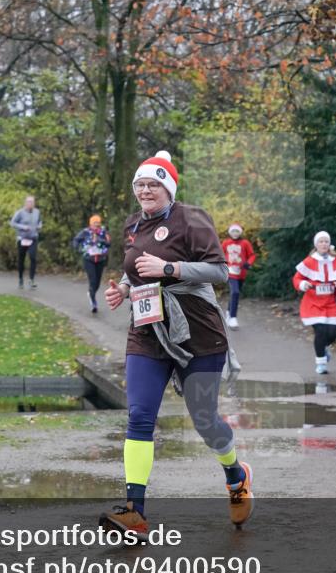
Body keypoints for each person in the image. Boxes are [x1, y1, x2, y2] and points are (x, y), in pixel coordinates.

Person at [99, 150, 251, 540]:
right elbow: (135, 270)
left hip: (198, 333)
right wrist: (124, 289)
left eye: (153, 184)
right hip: (148, 332)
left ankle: (235, 473)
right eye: (140, 184)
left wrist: (169, 269)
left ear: (168, 188)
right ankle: (135, 513)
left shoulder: (191, 218)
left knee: (203, 420)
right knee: (139, 416)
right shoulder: (133, 224)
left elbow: (219, 270)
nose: (145, 190)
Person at [293, 231, 336, 374]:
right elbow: (296, 279)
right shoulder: (309, 261)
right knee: (321, 332)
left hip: (331, 303)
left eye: (326, 242)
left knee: (332, 333)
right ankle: (321, 362)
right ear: (316, 244)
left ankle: (324, 347)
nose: (324, 244)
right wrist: (303, 284)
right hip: (313, 304)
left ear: (329, 244)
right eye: (321, 242)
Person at [71, 214, 111, 313]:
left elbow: (109, 243)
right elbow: (76, 240)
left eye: (98, 224)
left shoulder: (103, 232)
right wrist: (79, 249)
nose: (96, 226)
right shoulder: (85, 232)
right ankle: (93, 303)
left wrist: (100, 240)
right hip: (88, 260)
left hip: (100, 260)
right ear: (91, 224)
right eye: (94, 224)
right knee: (92, 280)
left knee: (97, 283)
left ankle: (91, 292)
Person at [221, 223, 256, 328]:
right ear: (230, 232)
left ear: (240, 232)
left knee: (235, 293)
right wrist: (223, 264)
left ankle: (228, 311)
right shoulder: (226, 243)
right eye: (233, 231)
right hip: (230, 272)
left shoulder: (245, 243)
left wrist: (248, 263)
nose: (235, 233)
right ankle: (233, 318)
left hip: (241, 273)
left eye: (237, 231)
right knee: (235, 292)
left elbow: (252, 255)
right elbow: (220, 255)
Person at [10, 195, 42, 289]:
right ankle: (20, 279)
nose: (31, 204)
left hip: (33, 238)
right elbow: (12, 223)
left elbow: (39, 221)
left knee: (33, 258)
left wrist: (39, 226)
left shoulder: (37, 212)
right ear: (25, 203)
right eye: (29, 202)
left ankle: (31, 280)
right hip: (22, 238)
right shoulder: (20, 212)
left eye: (32, 202)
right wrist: (23, 227)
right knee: (21, 259)